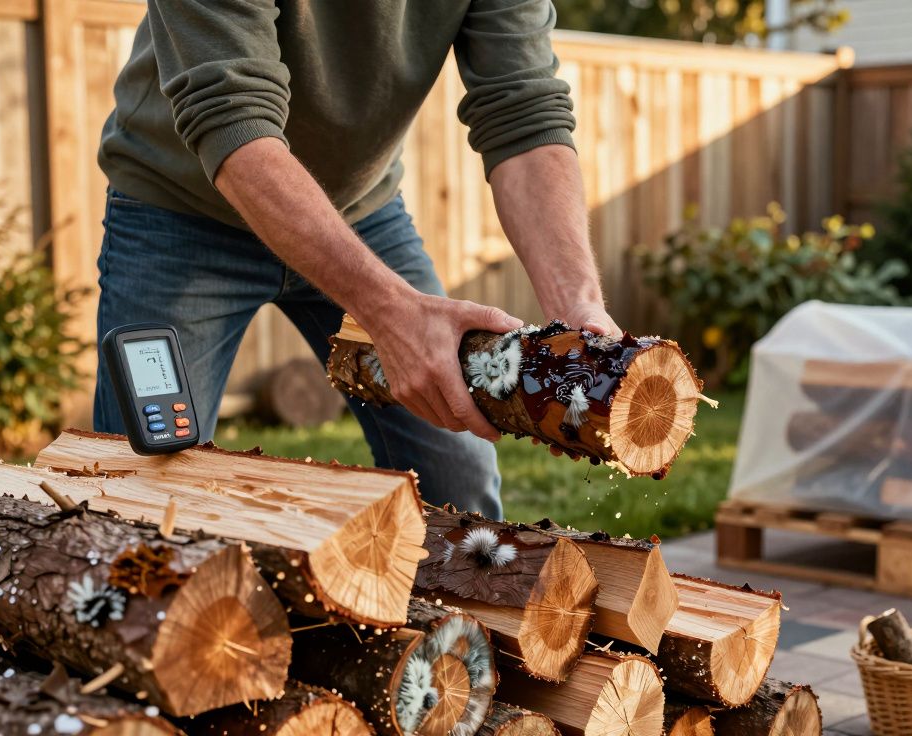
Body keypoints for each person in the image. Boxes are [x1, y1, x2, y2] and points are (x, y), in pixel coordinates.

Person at [93, 0, 617, 520]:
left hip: (359, 215)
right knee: (142, 493)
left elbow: (524, 115)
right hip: (178, 211)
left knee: (458, 478)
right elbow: (232, 117)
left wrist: (578, 304)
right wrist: (392, 314)